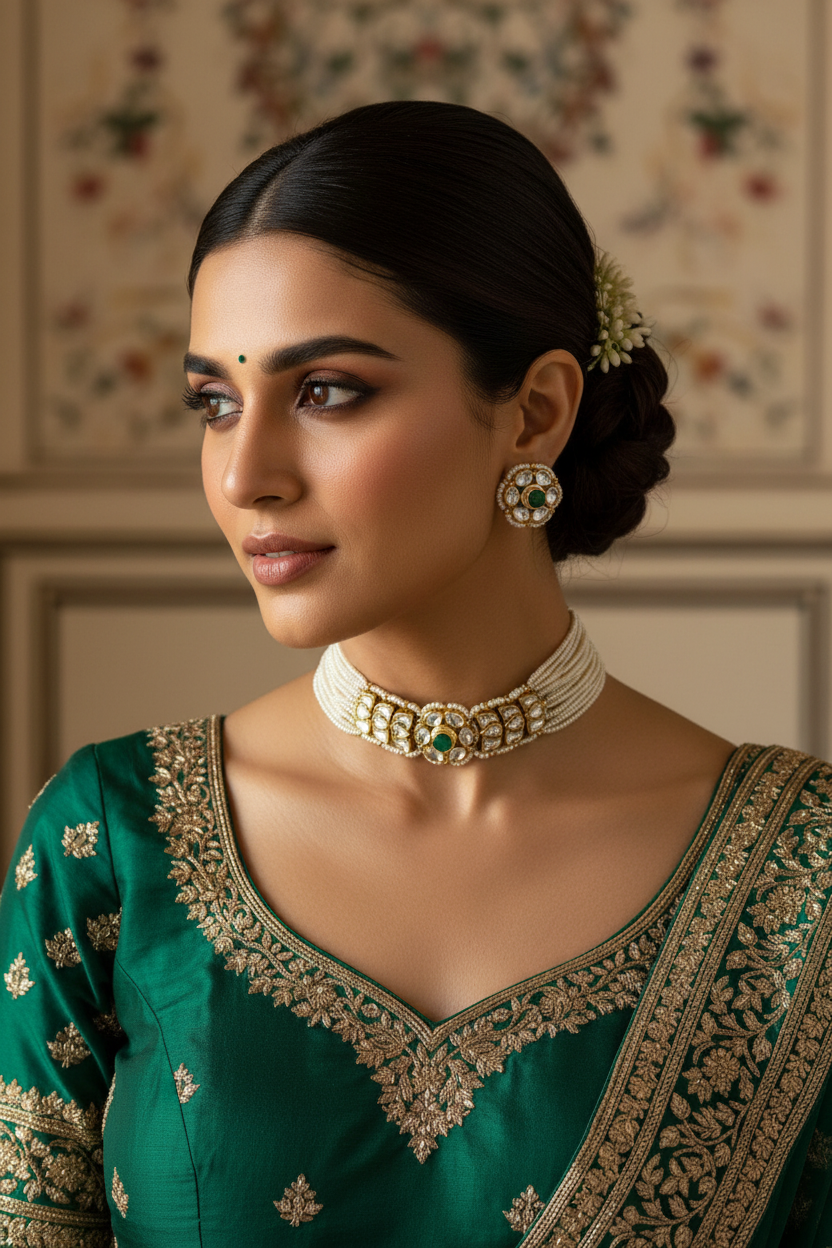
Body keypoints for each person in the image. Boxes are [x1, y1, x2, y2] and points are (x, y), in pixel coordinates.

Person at [1, 100, 831, 1248]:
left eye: (328, 390)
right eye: (213, 403)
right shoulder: (114, 841)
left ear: (534, 412)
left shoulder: (805, 874)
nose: (245, 475)